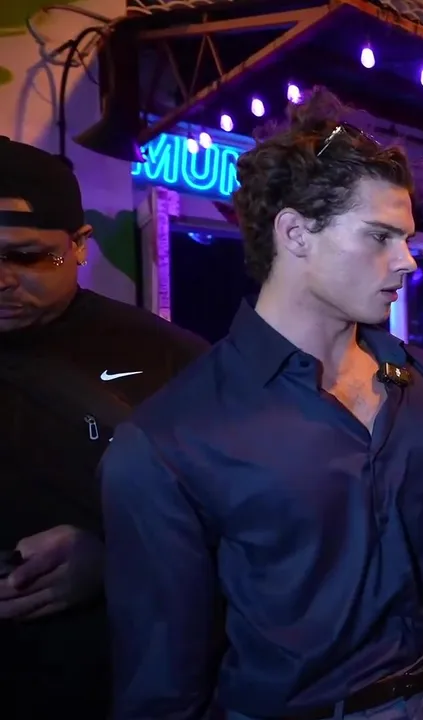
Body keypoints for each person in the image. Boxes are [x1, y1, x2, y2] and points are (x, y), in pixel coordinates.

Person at [98, 88, 423, 720]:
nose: (408, 262)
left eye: (406, 238)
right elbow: (163, 686)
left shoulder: (419, 376)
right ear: (295, 233)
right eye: (380, 236)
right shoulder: (172, 437)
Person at [0, 137, 209, 719]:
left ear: (80, 245)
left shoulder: (171, 361)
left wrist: (115, 557)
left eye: (26, 257)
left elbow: (242, 521)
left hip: (106, 685)